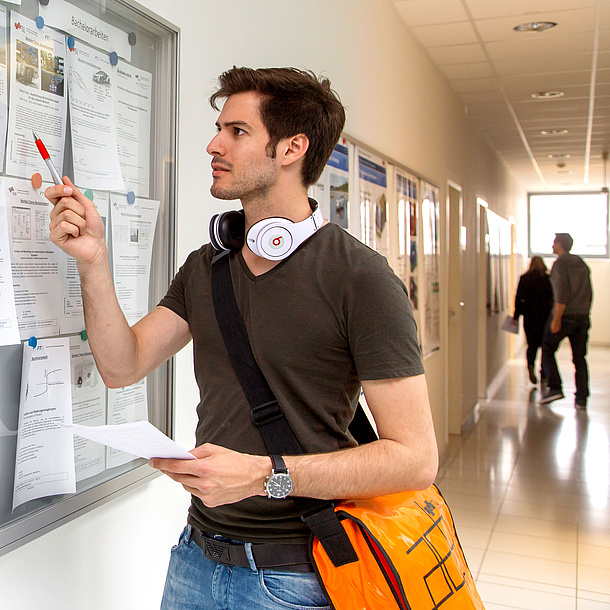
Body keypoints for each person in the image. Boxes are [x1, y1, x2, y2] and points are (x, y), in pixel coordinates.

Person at [45, 67, 438, 609]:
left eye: (237, 131)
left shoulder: (361, 279)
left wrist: (263, 475)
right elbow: (122, 364)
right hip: (195, 557)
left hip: (297, 575)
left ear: (292, 148)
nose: (214, 144)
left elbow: (414, 459)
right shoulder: (209, 266)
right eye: (218, 128)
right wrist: (94, 261)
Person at [539, 233, 593, 409]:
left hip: (565, 316)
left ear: (560, 244)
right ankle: (581, 398)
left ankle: (555, 387)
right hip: (582, 317)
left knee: (547, 348)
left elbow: (561, 294)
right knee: (579, 358)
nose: (552, 246)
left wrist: (556, 319)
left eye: (554, 243)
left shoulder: (560, 265)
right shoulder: (581, 264)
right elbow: (588, 292)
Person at [513, 256, 553, 385]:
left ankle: (530, 366)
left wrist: (516, 316)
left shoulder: (525, 278)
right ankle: (544, 372)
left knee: (532, 345)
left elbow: (519, 298)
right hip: (545, 317)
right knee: (545, 345)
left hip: (530, 316)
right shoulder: (548, 279)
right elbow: (553, 298)